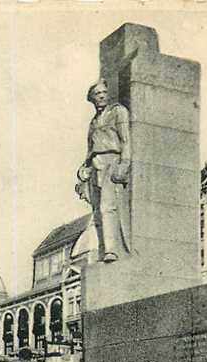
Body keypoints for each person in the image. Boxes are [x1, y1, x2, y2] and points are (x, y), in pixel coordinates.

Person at [76, 78, 132, 263]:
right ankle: (103, 250)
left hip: (111, 160)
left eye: (103, 93)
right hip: (95, 165)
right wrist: (83, 169)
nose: (100, 97)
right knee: (97, 211)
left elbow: (125, 140)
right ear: (92, 99)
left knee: (107, 206)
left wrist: (124, 164)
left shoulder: (118, 112)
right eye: (96, 94)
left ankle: (111, 250)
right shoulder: (93, 122)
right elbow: (89, 149)